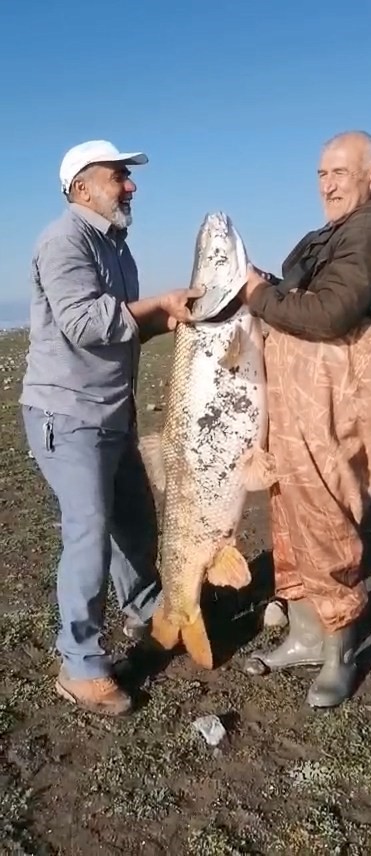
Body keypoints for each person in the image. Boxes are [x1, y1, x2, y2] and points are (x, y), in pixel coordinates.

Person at [239, 130, 371, 708]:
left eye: (341, 173)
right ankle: (306, 634)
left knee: (326, 511)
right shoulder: (333, 233)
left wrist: (258, 295)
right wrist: (267, 286)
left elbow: (330, 314)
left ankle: (341, 650)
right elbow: (306, 295)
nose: (328, 184)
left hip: (340, 402)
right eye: (322, 174)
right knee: (292, 508)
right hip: (301, 400)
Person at [20, 139, 203, 716]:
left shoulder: (116, 248)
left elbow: (122, 329)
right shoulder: (63, 240)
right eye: (118, 176)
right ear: (81, 188)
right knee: (89, 532)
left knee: (133, 517)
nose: (131, 186)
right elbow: (84, 323)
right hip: (66, 414)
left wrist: (165, 321)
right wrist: (154, 306)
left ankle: (150, 607)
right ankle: (80, 665)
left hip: (111, 410)